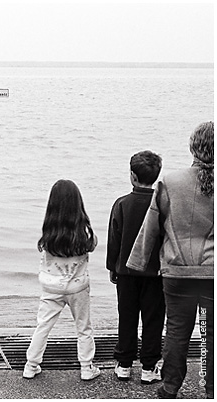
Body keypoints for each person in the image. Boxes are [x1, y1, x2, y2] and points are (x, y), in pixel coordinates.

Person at [127, 121, 214, 399]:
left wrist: (137, 264)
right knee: (212, 336)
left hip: (177, 273)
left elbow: (151, 227)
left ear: (192, 146)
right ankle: (211, 388)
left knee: (177, 333)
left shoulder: (170, 182)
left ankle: (170, 387)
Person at [23, 179, 101, 381]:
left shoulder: (49, 233)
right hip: (78, 288)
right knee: (83, 327)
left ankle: (31, 365)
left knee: (44, 325)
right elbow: (93, 245)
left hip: (51, 287)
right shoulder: (84, 234)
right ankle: (86, 367)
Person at [106, 150, 165, 384]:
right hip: (155, 273)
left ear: (132, 176)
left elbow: (114, 240)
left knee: (127, 316)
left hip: (126, 273)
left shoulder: (122, 204)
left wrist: (113, 267)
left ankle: (124, 364)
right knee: (153, 319)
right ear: (157, 176)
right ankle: (149, 368)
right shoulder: (161, 204)